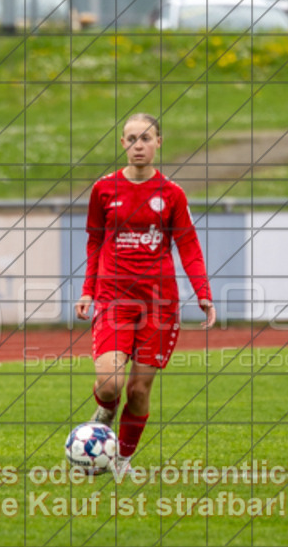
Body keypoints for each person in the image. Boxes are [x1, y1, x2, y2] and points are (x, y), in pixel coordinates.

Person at [75, 113, 216, 473]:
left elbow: (189, 245)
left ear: (159, 142)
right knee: (110, 385)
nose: (139, 145)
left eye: (146, 138)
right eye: (132, 138)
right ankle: (104, 411)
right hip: (113, 298)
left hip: (159, 303)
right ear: (122, 143)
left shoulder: (171, 194)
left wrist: (203, 293)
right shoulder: (103, 189)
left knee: (138, 390)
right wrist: (88, 290)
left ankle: (121, 460)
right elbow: (94, 242)